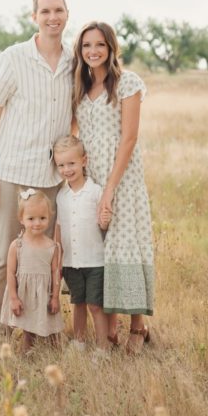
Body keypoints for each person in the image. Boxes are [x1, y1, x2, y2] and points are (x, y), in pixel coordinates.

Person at [0, 0, 73, 339]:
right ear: (34, 16)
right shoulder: (13, 57)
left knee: (44, 259)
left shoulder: (72, 62)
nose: (53, 17)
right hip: (12, 173)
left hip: (52, 178)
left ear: (67, 14)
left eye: (59, 10)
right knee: (6, 255)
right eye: (46, 11)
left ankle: (38, 329)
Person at [72, 21, 155, 354]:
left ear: (111, 48)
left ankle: (139, 326)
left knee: (125, 247)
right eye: (87, 45)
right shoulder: (80, 87)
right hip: (90, 177)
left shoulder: (127, 83)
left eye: (100, 45)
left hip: (121, 178)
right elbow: (75, 132)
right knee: (101, 253)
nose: (93, 51)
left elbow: (129, 138)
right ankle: (110, 328)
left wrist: (109, 190)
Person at [52, 135, 110, 352]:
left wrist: (104, 222)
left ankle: (102, 348)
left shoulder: (95, 192)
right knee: (78, 303)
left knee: (95, 305)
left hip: (94, 261)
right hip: (71, 262)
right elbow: (58, 228)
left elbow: (103, 227)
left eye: (71, 163)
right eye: (61, 165)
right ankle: (79, 342)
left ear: (84, 161)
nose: (67, 169)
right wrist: (58, 259)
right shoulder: (61, 196)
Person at [0, 189, 64, 352]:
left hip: (45, 296)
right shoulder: (17, 245)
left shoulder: (52, 246)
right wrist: (13, 298)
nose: (37, 223)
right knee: (28, 331)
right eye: (31, 218)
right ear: (21, 218)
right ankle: (26, 355)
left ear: (49, 218)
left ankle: (54, 354)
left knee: (52, 333)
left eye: (42, 218)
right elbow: (10, 273)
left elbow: (56, 273)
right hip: (25, 296)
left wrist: (55, 297)